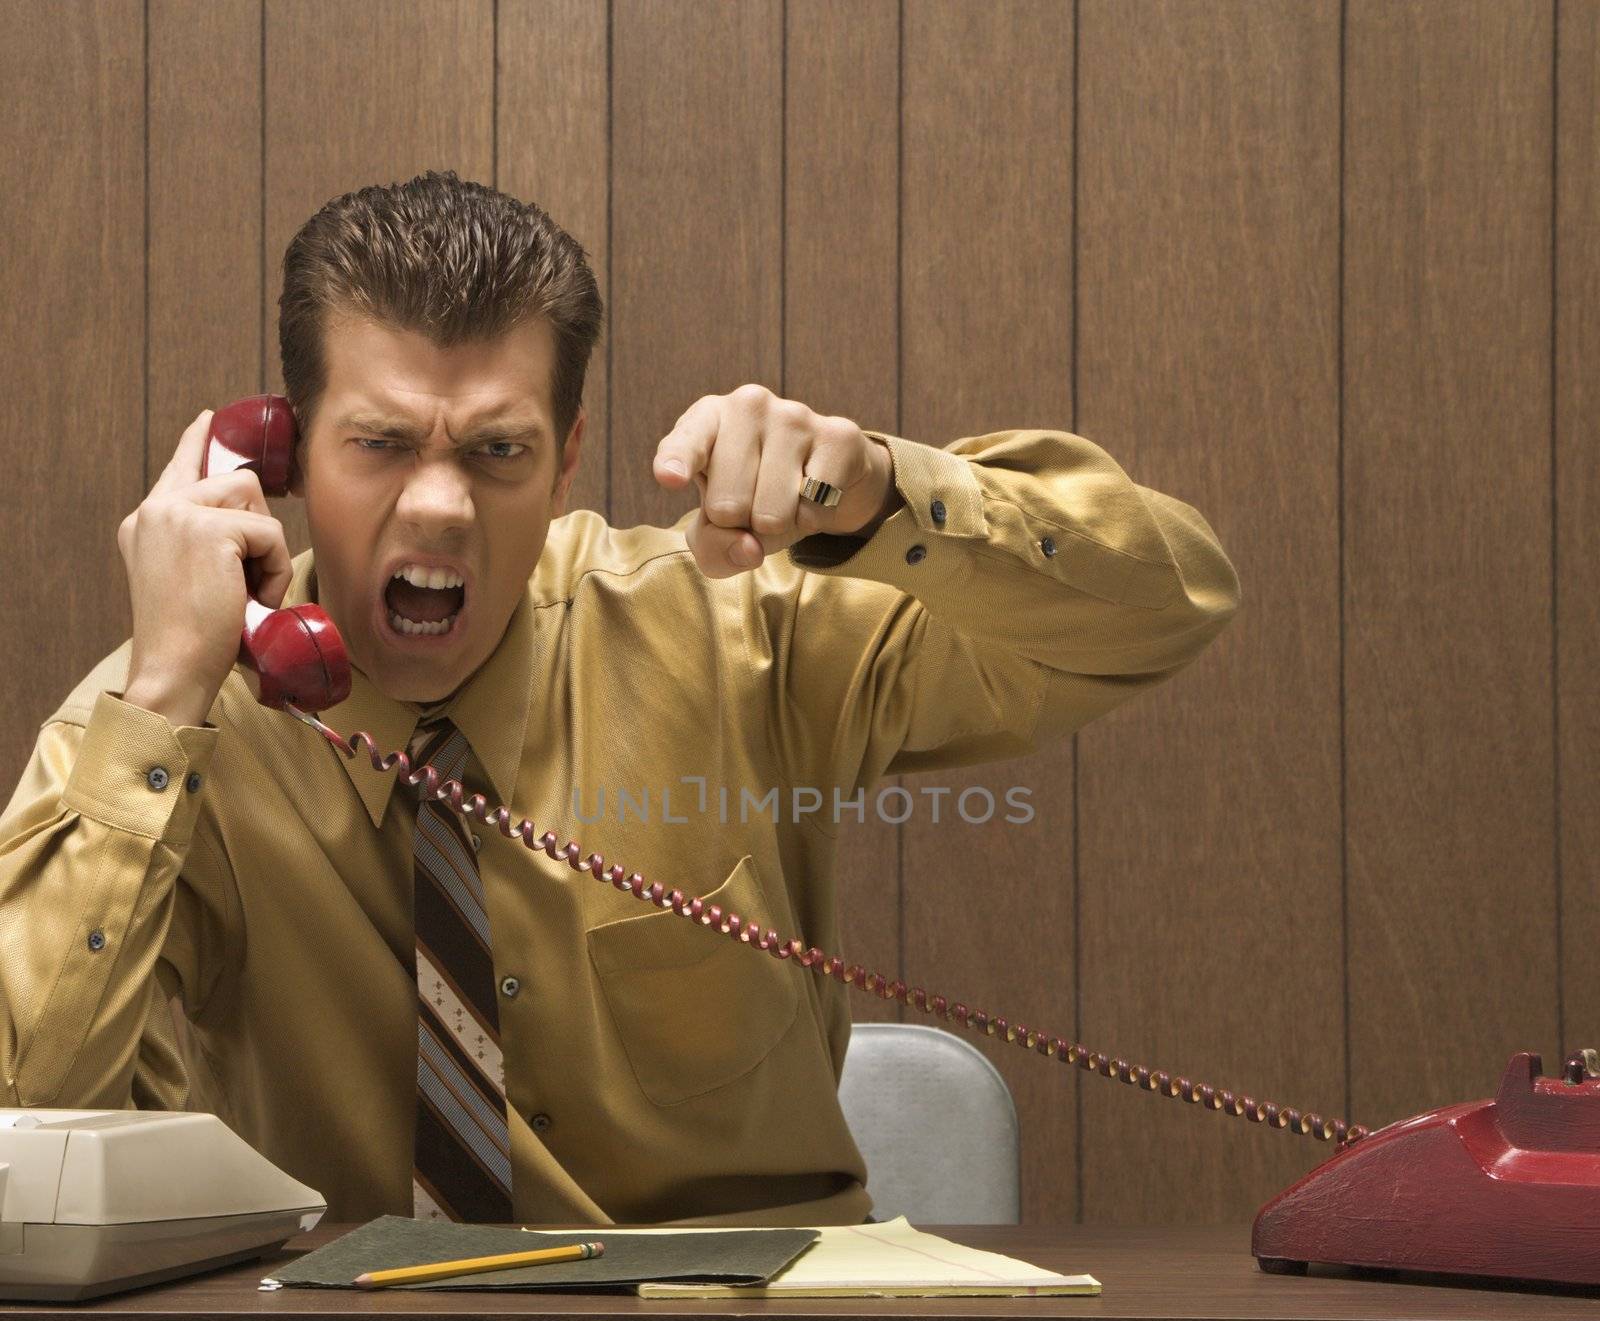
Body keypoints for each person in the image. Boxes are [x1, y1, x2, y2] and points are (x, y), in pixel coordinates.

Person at [0, 171, 1240, 1226]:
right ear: (278, 455)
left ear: (569, 456)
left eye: (496, 451)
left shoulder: (729, 628)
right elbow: (25, 1128)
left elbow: (1166, 602)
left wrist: (880, 502)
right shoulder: (158, 739)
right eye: (379, 443)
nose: (438, 506)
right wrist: (165, 691)